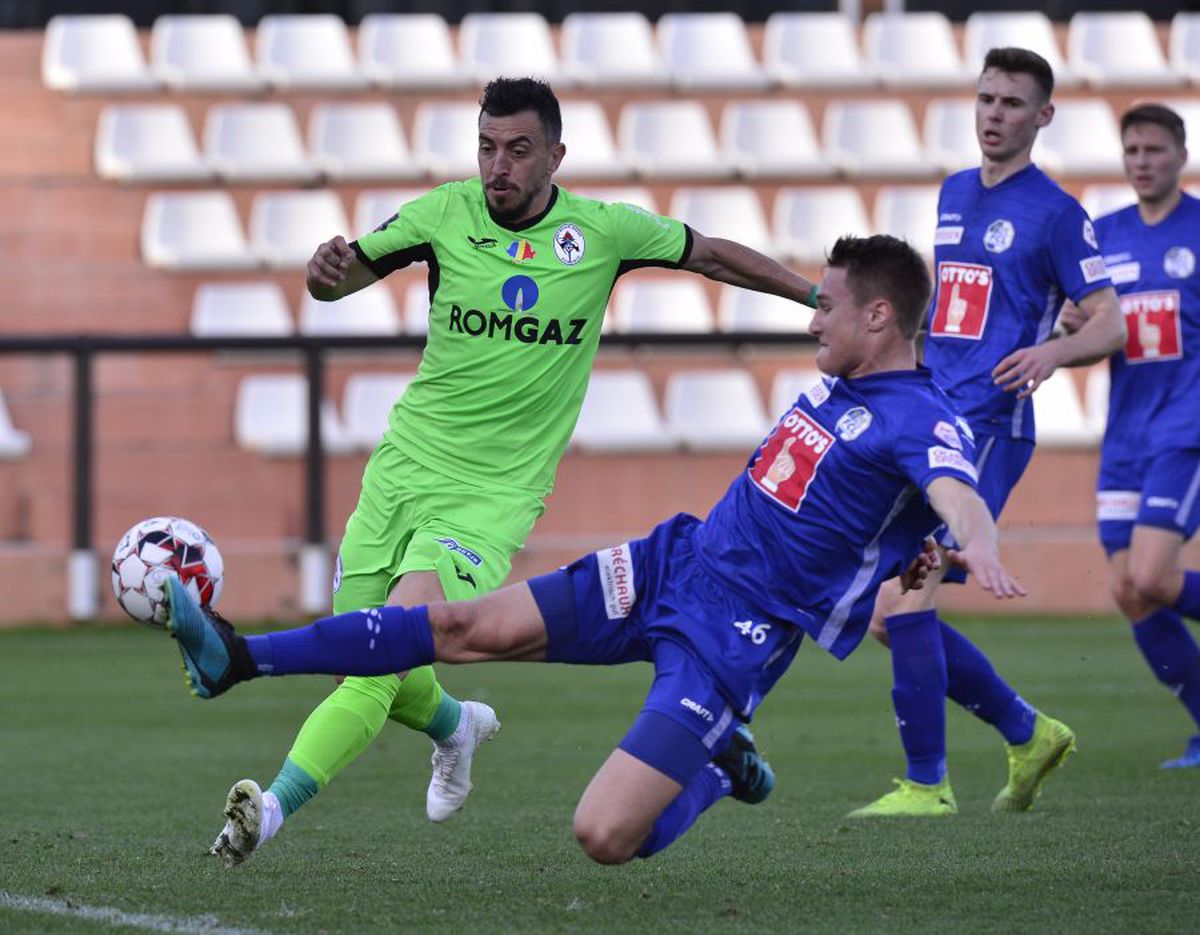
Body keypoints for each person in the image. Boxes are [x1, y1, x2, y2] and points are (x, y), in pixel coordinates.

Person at [165, 235, 1027, 866]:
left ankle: (723, 768)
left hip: (737, 639)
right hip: (673, 562)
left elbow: (957, 493)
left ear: (879, 316)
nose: (814, 317)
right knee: (460, 624)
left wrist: (977, 547)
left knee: (605, 835)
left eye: (829, 304)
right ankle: (237, 656)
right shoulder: (841, 385)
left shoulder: (923, 416)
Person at [206, 76, 821, 867]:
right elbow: (344, 276)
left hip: (491, 497)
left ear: (556, 156)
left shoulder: (601, 232)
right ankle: (455, 725)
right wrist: (323, 274)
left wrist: (813, 294)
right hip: (400, 472)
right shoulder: (442, 213)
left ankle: (272, 809)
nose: (499, 166)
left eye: (519, 150)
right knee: (359, 651)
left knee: (379, 657)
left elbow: (710, 255)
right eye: (488, 147)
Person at [848, 47, 1126, 818]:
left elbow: (1109, 319)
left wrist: (1053, 349)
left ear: (1043, 117)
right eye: (986, 99)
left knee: (906, 599)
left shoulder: (1058, 213)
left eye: (1011, 103)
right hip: (935, 416)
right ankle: (1026, 730)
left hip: (992, 427)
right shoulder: (953, 191)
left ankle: (927, 784)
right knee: (885, 611)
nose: (994, 115)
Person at [1072, 103, 1200, 767]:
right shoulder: (1103, 236)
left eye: (1154, 149)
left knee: (1155, 573)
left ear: (1180, 155)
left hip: (1187, 425)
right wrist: (1073, 327)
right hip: (1125, 432)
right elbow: (1090, 332)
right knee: (1129, 588)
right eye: (1132, 151)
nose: (1142, 162)